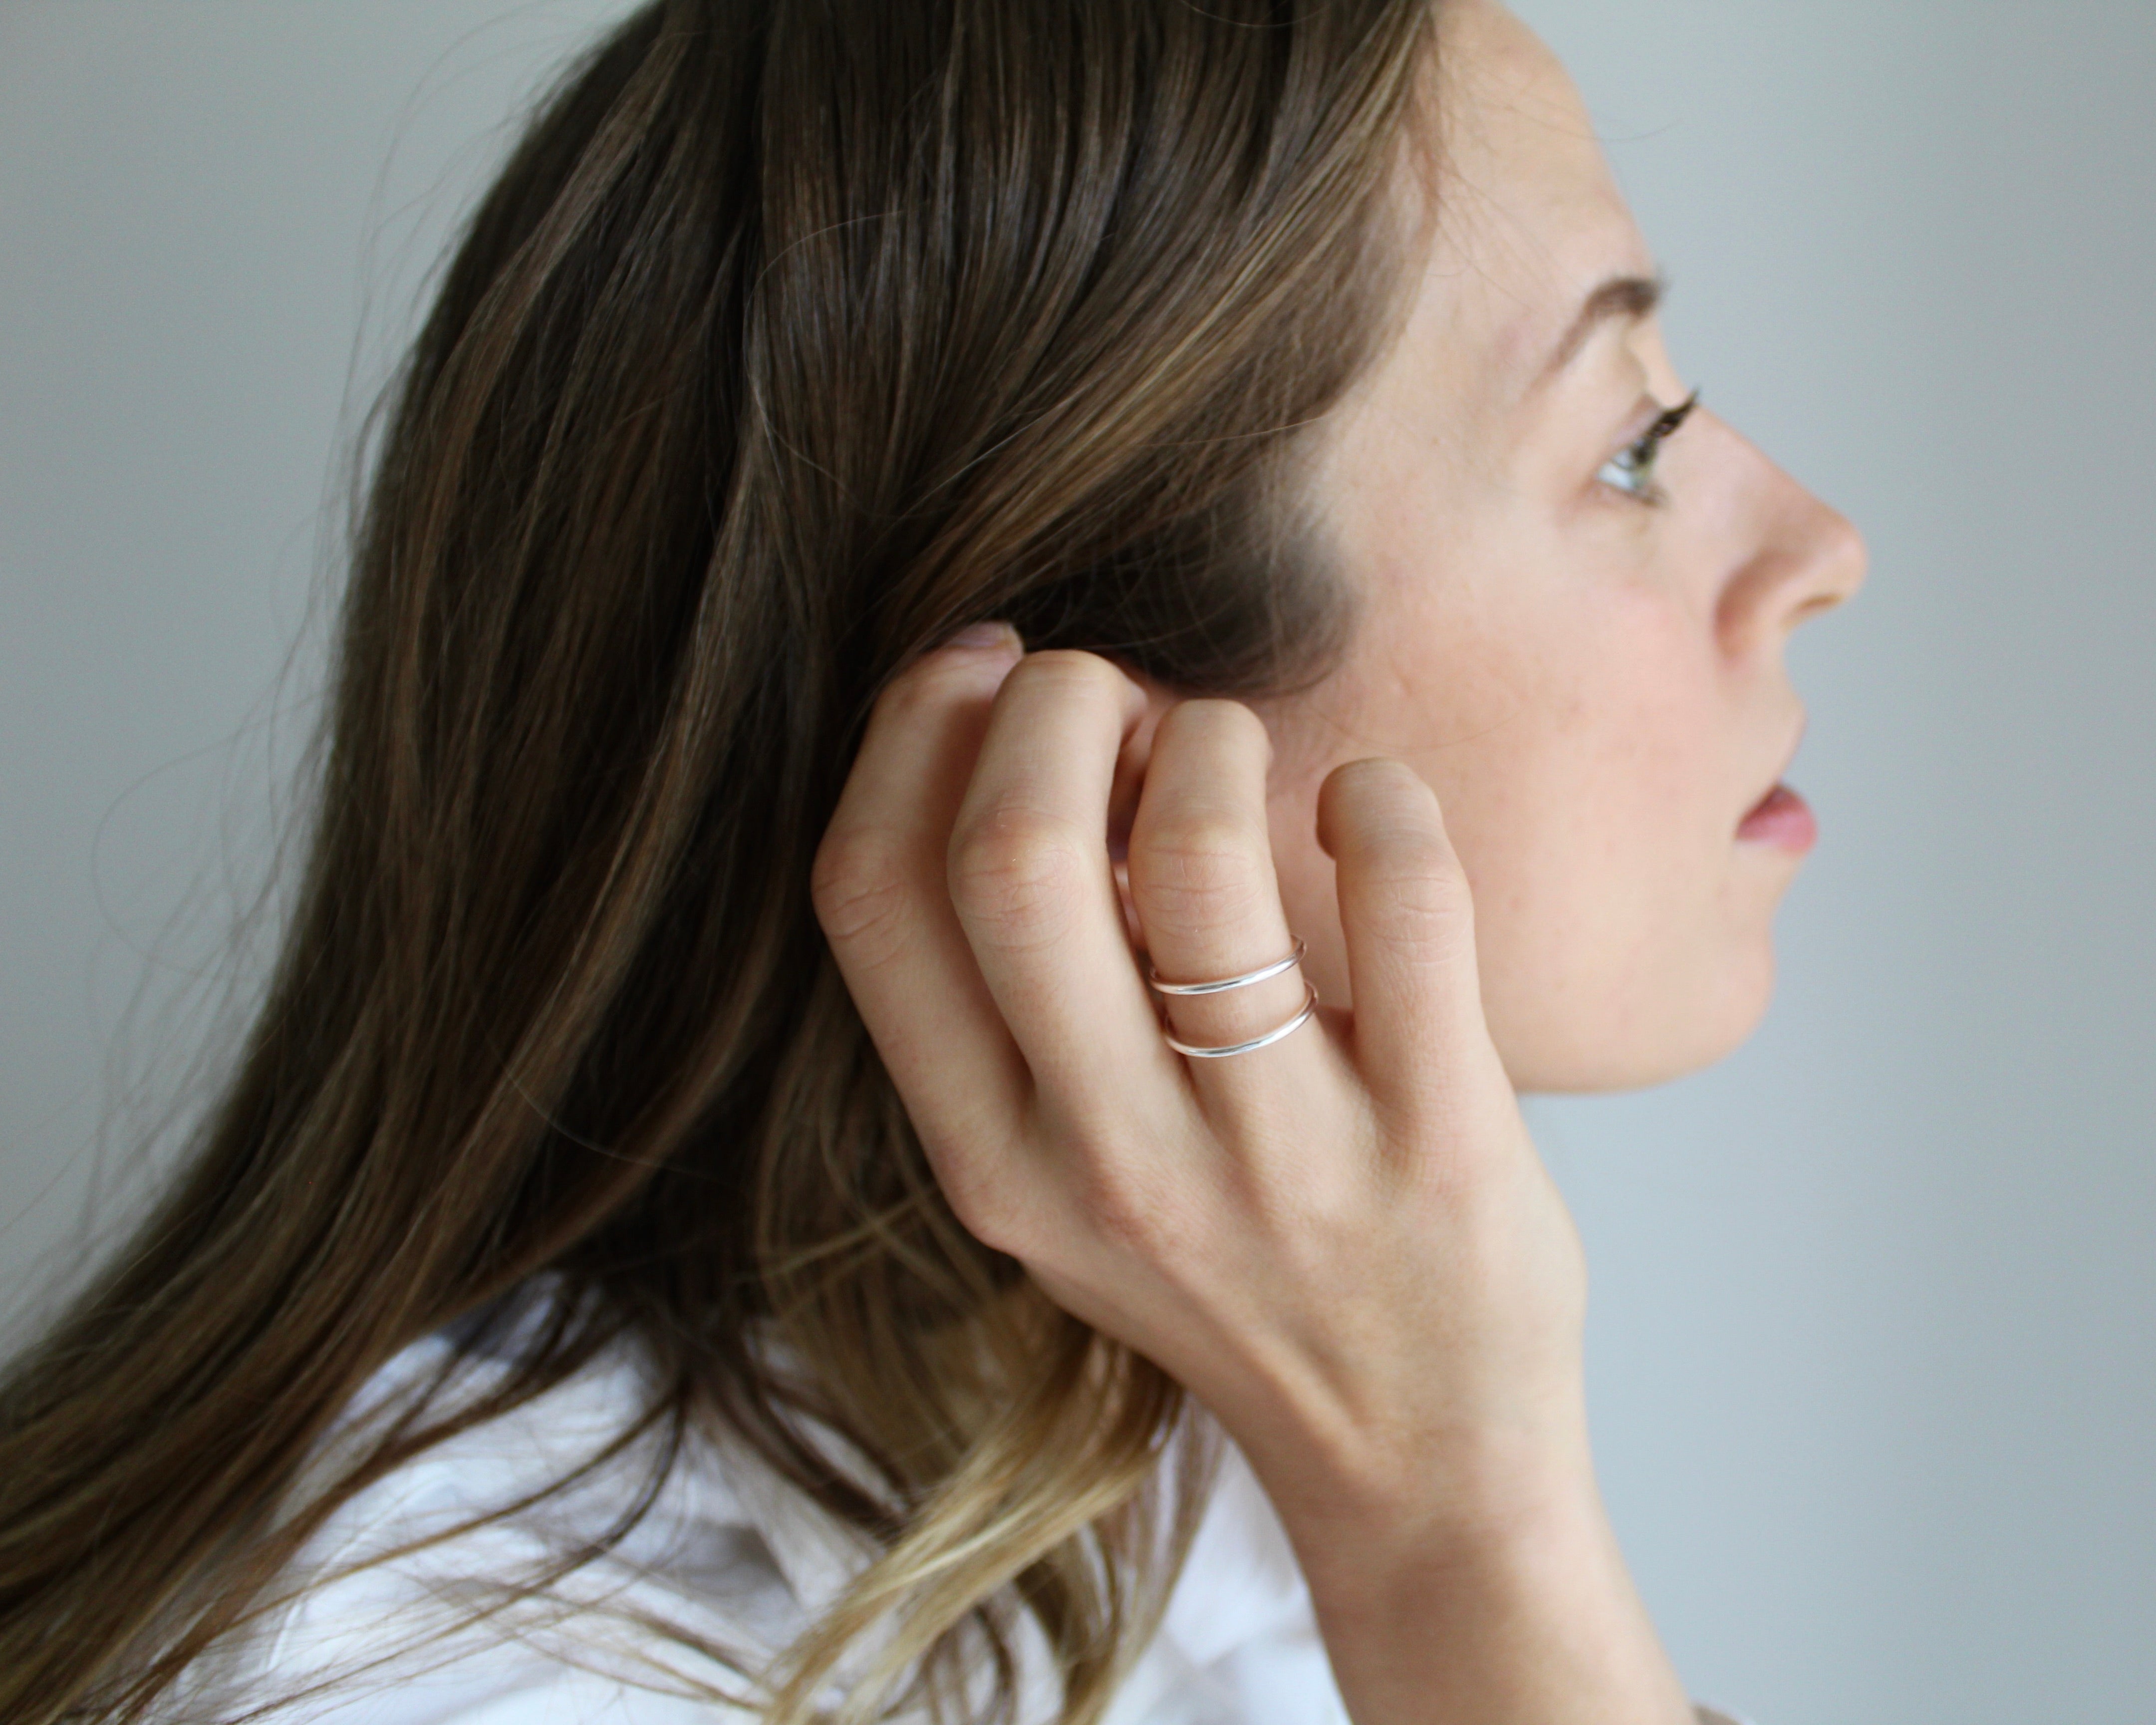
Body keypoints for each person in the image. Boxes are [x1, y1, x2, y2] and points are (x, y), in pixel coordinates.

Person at [0, 0, 1864, 1720]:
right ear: (1068, 760)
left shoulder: (1181, 1430)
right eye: (1635, 445)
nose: (1819, 545)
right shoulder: (408, 1678)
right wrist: (1464, 1540)